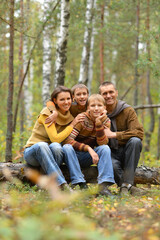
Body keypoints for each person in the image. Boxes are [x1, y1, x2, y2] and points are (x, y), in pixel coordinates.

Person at [23, 86, 86, 190]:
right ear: (55, 101)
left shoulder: (70, 116)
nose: (66, 102)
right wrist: (73, 123)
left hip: (50, 154)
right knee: (44, 145)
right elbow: (55, 138)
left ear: (72, 99)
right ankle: (62, 184)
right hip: (33, 152)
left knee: (57, 147)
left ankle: (49, 184)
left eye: (68, 99)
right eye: (62, 99)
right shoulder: (47, 113)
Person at [63, 94, 115, 197]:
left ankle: (104, 186)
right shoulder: (82, 119)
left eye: (99, 105)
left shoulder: (106, 121)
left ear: (104, 108)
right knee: (66, 147)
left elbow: (102, 143)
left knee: (105, 148)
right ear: (88, 108)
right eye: (93, 105)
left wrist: (99, 124)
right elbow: (67, 141)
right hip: (74, 155)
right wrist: (89, 148)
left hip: (88, 157)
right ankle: (80, 184)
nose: (96, 108)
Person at [99, 81, 144, 195]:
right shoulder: (96, 112)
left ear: (116, 93)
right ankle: (126, 187)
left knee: (135, 141)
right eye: (105, 93)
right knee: (112, 166)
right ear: (101, 96)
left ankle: (126, 185)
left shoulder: (127, 110)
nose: (108, 96)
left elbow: (138, 132)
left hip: (126, 152)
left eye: (111, 92)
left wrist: (114, 134)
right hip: (110, 153)